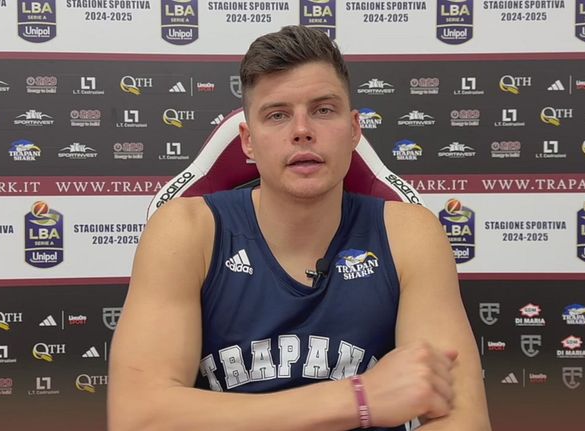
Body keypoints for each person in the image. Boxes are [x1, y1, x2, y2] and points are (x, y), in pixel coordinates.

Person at [108, 25, 490, 431]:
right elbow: (138, 418)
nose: (302, 130)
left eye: (323, 110)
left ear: (354, 129)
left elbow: (462, 419)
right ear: (248, 141)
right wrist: (358, 398)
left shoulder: (410, 234)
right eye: (277, 115)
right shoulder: (187, 230)